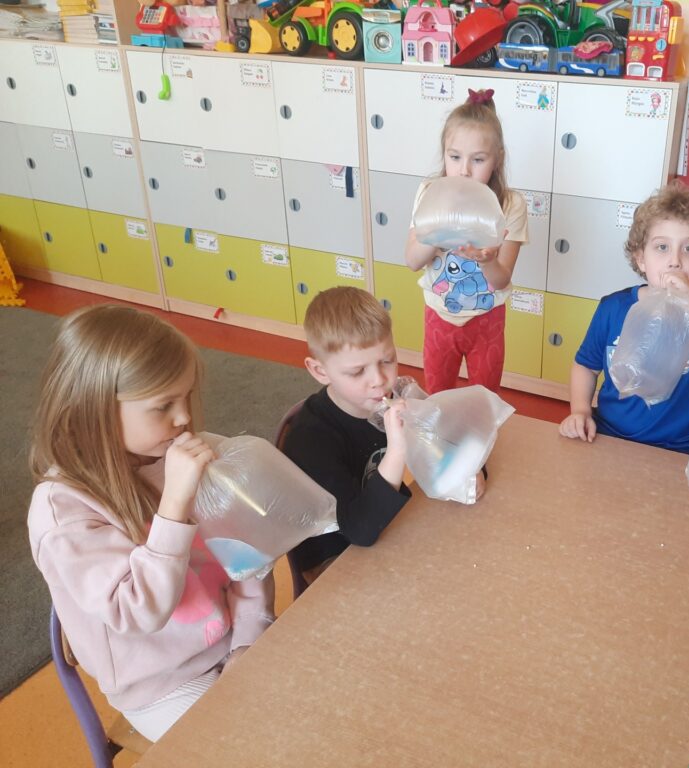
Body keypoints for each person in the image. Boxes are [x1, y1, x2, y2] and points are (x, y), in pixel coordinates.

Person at [27, 305, 275, 742]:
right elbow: (140, 612)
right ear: (93, 410)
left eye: (186, 396)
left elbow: (248, 559)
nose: (183, 418)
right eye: (163, 405)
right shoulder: (63, 513)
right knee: (249, 746)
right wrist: (174, 505)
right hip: (163, 686)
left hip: (237, 639)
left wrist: (249, 638)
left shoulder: (180, 456)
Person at [283, 287, 485, 585]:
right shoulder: (311, 438)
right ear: (320, 371)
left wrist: (470, 470)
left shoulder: (394, 398)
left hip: (384, 529)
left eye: (387, 360)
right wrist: (397, 451)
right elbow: (360, 530)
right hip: (334, 561)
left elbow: (454, 441)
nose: (379, 380)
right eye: (357, 372)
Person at [559, 181, 689, 452]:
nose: (675, 261)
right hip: (610, 435)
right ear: (641, 258)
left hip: (681, 446)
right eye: (662, 247)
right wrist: (580, 410)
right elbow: (586, 365)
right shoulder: (613, 308)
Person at [404, 87, 528, 394]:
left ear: (497, 159)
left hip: (487, 318)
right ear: (444, 153)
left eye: (478, 159)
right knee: (437, 396)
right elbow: (412, 261)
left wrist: (488, 261)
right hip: (439, 314)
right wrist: (439, 226)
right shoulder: (429, 192)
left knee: (484, 399)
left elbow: (501, 280)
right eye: (455, 157)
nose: (464, 170)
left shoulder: (510, 204)